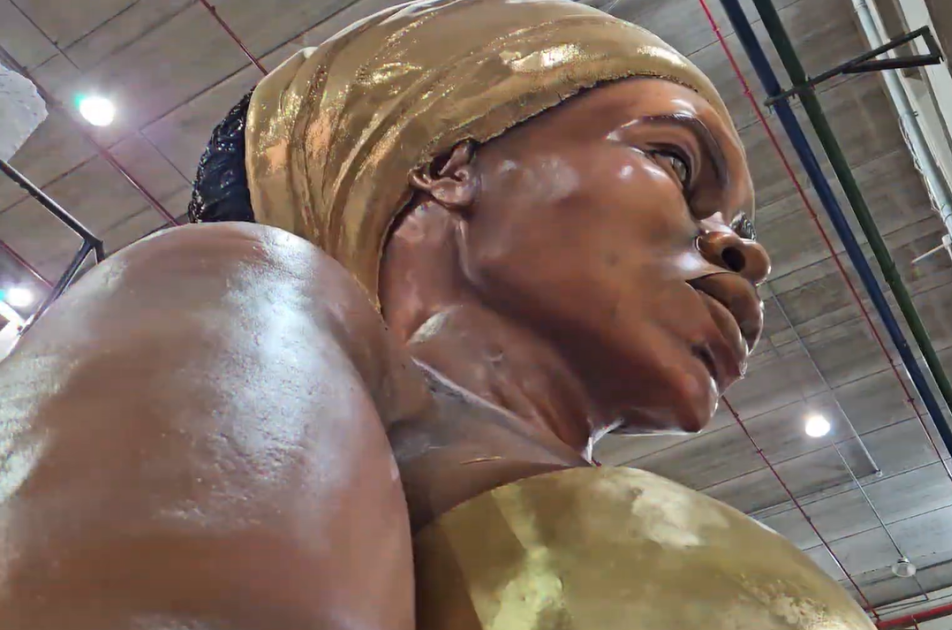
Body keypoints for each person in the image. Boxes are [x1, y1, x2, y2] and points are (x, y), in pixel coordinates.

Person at [0, 1, 874, 628]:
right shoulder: (245, 294)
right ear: (450, 170)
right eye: (676, 164)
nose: (743, 253)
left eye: (741, 229)